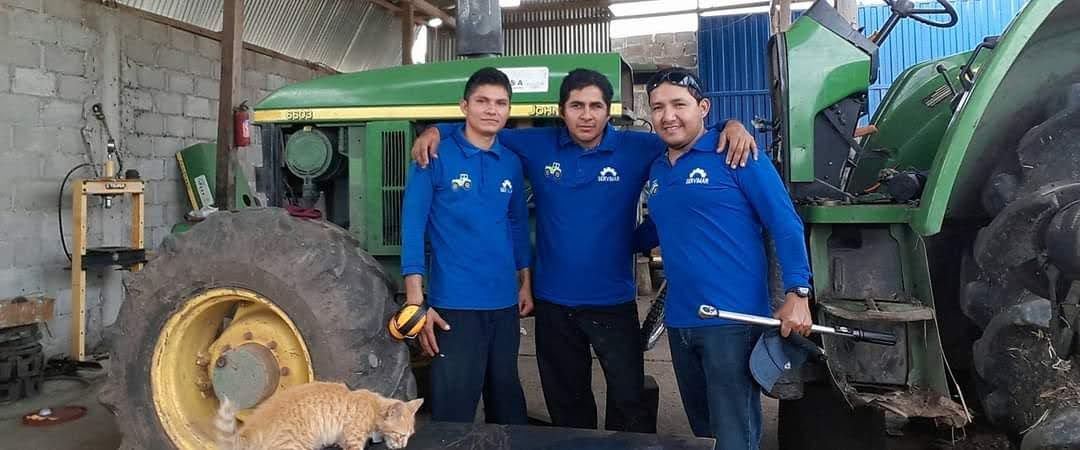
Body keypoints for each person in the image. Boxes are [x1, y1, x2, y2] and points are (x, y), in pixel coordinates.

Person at [410, 68, 758, 433]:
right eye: (577, 106)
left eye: (596, 106)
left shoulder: (637, 147)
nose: (586, 115)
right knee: (567, 405)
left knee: (628, 404)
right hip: (554, 305)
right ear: (562, 111)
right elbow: (482, 129)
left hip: (614, 302)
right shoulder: (537, 145)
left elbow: (689, 134)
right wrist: (438, 129)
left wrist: (729, 126)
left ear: (610, 111)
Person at [640, 68, 813, 450]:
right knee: (703, 432)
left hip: (731, 322)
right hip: (681, 320)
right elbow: (663, 228)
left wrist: (798, 293)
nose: (668, 115)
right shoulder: (657, 168)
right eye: (658, 107)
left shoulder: (738, 153)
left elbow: (785, 223)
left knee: (734, 433)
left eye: (679, 105)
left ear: (703, 108)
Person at [400, 67, 533, 425]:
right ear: (464, 106)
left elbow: (517, 223)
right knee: (454, 410)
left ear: (509, 110)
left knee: (506, 403)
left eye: (501, 103)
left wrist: (525, 282)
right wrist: (416, 301)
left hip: (504, 304)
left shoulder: (510, 162)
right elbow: (413, 225)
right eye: (482, 101)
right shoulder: (434, 156)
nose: (492, 110)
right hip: (453, 307)